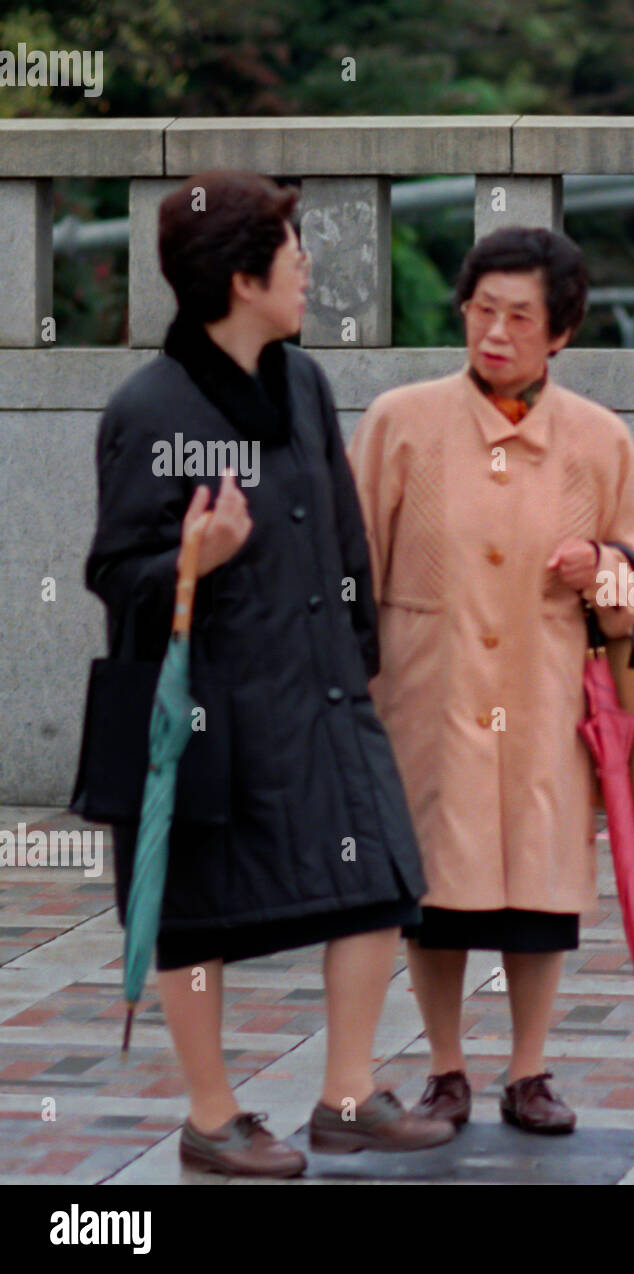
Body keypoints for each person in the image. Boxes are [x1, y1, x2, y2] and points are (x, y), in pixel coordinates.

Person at [85, 170, 455, 1176]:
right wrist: (189, 561)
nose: (308, 273)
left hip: (322, 689)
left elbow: (341, 535)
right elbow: (115, 570)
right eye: (295, 257)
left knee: (376, 880)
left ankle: (347, 1093)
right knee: (195, 911)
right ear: (245, 276)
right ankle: (213, 1116)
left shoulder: (301, 381)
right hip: (209, 709)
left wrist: (360, 652)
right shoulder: (147, 407)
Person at [347, 225, 634, 1134]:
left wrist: (598, 565)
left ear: (560, 333)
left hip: (542, 693)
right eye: (482, 311)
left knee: (538, 891)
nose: (494, 332)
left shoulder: (599, 441)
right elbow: (352, 564)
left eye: (519, 317)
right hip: (423, 694)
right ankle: (445, 1068)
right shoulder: (401, 422)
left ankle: (530, 1070)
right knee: (433, 895)